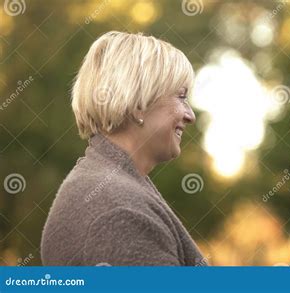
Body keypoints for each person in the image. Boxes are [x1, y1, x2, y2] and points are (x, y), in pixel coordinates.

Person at [41, 31, 206, 266]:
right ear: (138, 105)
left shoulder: (109, 188)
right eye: (181, 97)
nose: (190, 115)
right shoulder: (118, 211)